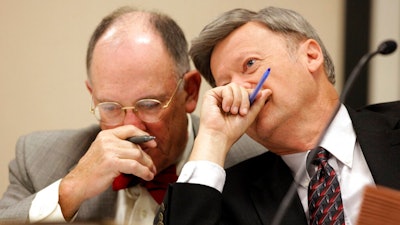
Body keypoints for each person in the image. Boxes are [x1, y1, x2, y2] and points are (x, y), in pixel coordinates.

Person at [0, 6, 266, 224]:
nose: (131, 128)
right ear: (92, 96)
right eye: (110, 107)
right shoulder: (37, 159)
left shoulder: (256, 162)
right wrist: (71, 189)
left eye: (149, 104)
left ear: (191, 91)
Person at [155, 6, 400, 225]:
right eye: (225, 85)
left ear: (311, 56)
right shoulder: (229, 197)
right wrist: (212, 138)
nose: (240, 90)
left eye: (250, 64)